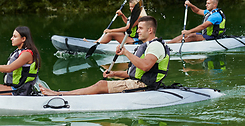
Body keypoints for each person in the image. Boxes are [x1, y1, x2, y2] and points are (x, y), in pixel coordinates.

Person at [40, 16, 170, 96]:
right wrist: (114, 73)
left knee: (100, 85)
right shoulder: (147, 46)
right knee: (101, 84)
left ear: (150, 30)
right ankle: (63, 93)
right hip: (138, 82)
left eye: (141, 28)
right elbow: (133, 72)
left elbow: (146, 66)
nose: (138, 31)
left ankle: (59, 94)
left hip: (143, 86)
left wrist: (126, 52)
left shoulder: (155, 46)